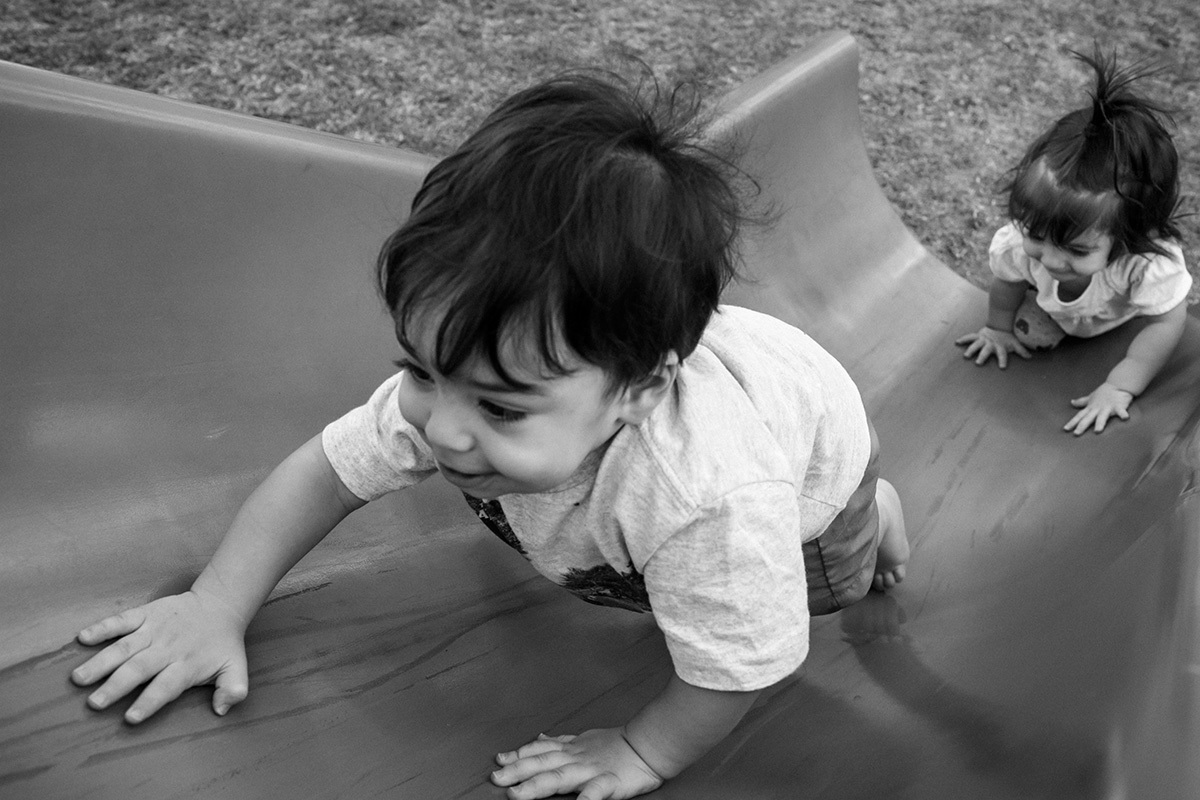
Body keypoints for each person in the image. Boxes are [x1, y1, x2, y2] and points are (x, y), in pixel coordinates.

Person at [70, 70, 909, 800]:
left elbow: (741, 666)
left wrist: (642, 748)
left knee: (806, 588)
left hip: (807, 480)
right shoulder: (478, 378)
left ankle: (880, 513)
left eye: (501, 408)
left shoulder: (712, 501)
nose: (441, 428)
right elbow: (325, 472)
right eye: (423, 372)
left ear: (640, 392)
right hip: (676, 439)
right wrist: (219, 602)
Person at [955, 49, 1191, 435]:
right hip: (1057, 310)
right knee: (1032, 306)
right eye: (1036, 235)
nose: (1048, 258)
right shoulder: (1022, 242)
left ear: (1130, 238)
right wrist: (998, 327)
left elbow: (1166, 321)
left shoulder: (1145, 268)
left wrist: (1121, 385)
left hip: (1117, 322)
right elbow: (1009, 281)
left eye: (1076, 250)